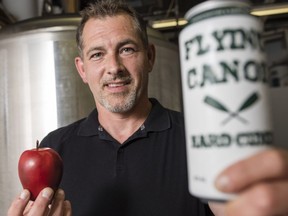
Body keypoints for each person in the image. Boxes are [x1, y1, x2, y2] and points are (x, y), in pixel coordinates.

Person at [7, 0, 288, 215]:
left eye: (127, 49)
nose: (114, 68)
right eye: (97, 54)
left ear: (150, 57)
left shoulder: (201, 141)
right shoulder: (56, 148)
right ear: (82, 69)